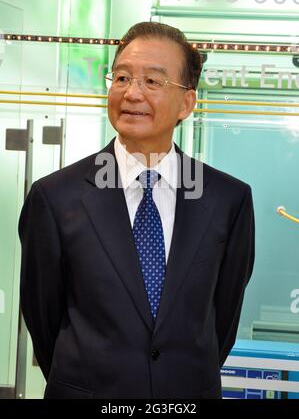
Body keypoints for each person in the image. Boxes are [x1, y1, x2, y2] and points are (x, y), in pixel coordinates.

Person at [19, 21, 255, 399]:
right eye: (123, 77)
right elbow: (43, 318)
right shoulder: (55, 197)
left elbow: (221, 320)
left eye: (153, 81)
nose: (132, 93)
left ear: (187, 103)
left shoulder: (227, 200)